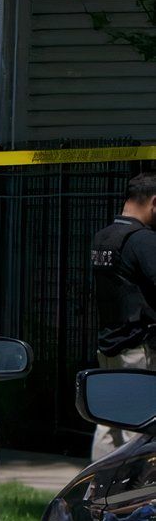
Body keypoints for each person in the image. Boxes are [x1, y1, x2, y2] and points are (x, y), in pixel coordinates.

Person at [90, 172, 156, 459]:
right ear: (154, 202)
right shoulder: (143, 240)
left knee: (108, 423)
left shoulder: (102, 237)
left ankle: (96, 490)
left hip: (108, 346)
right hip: (137, 349)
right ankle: (137, 498)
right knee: (139, 429)